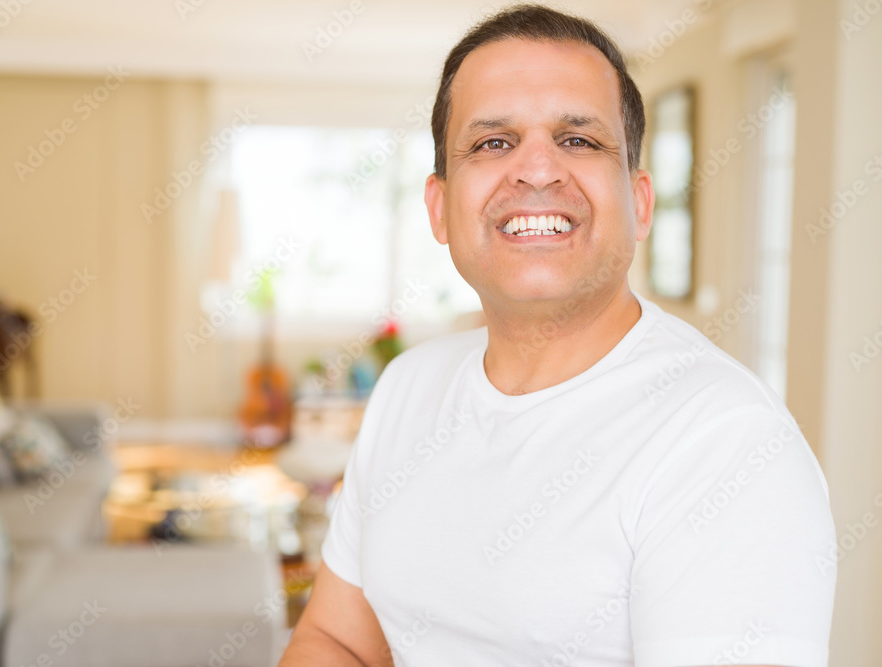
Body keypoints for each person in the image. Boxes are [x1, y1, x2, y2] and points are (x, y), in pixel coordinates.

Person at [279, 5, 836, 666]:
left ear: (640, 203)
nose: (537, 171)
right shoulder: (408, 389)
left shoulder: (727, 444)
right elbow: (338, 639)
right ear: (439, 208)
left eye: (579, 140)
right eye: (492, 142)